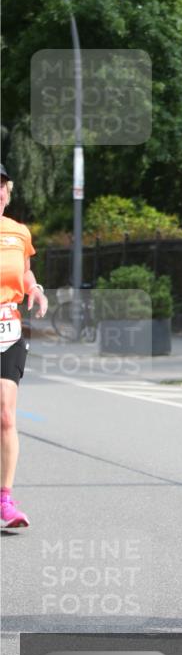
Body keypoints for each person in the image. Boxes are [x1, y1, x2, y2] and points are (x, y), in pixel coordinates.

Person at [0, 164, 48, 529]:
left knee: (5, 415)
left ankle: (5, 500)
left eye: (3, 185)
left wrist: (34, 288)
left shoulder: (19, 232)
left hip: (8, 329)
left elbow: (26, 270)